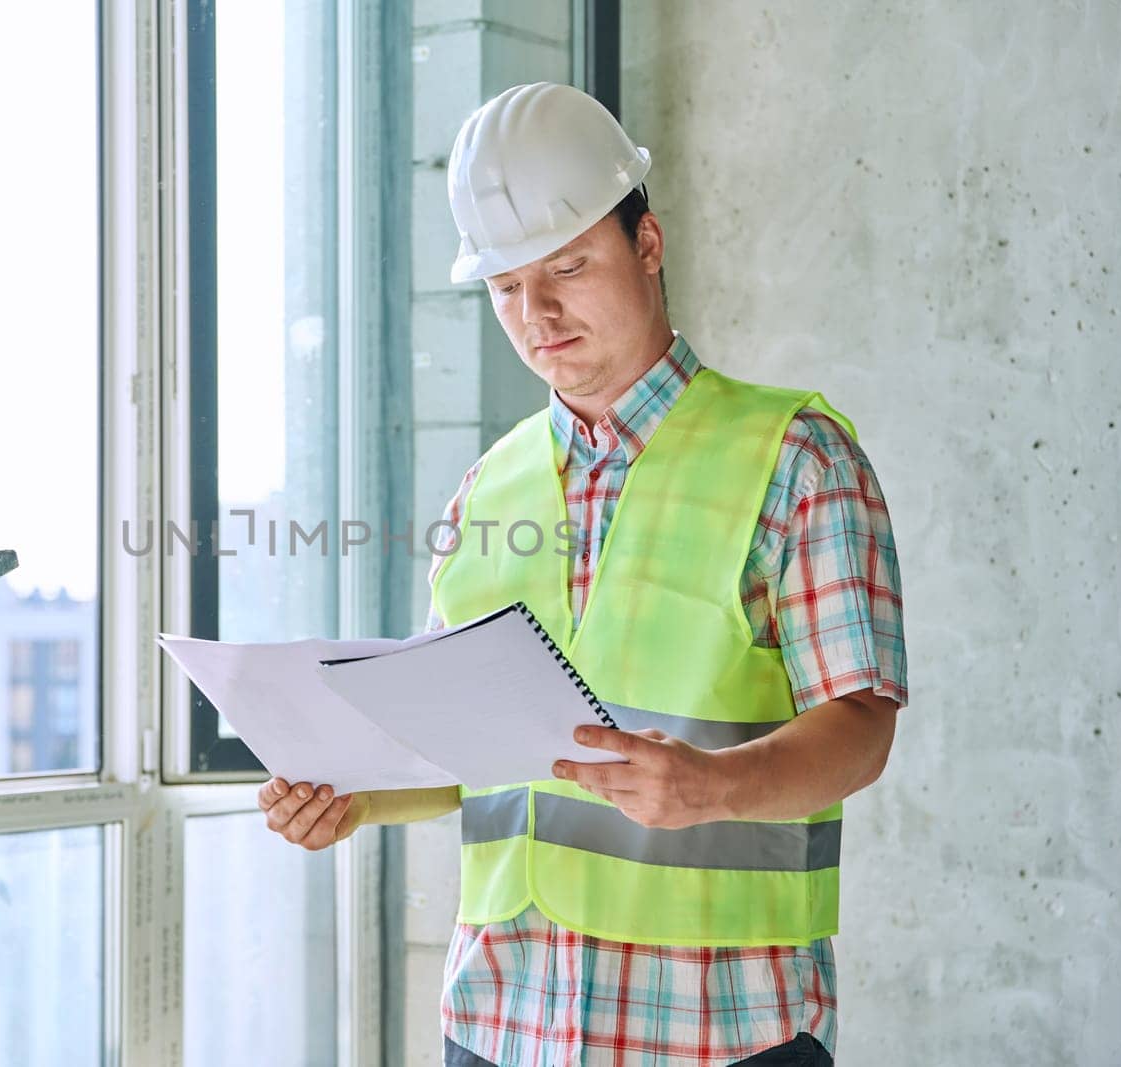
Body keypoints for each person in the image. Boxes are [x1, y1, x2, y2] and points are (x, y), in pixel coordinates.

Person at [256, 82, 907, 1067]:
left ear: (646, 246)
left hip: (718, 1029)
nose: (538, 311)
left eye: (567, 265)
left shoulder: (794, 458)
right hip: (500, 1020)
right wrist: (352, 796)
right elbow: (459, 745)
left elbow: (860, 729)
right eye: (507, 286)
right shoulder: (487, 486)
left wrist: (715, 784)